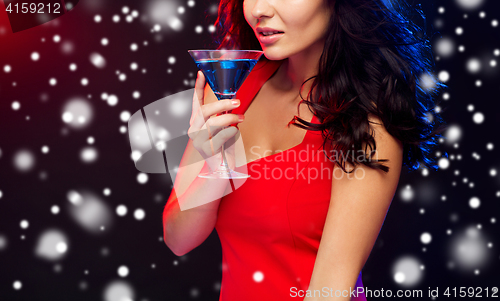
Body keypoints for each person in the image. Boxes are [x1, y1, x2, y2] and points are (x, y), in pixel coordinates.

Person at [163, 0, 447, 300]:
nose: (258, 9)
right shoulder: (229, 88)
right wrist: (214, 164)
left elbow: (331, 289)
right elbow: (177, 239)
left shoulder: (365, 122)